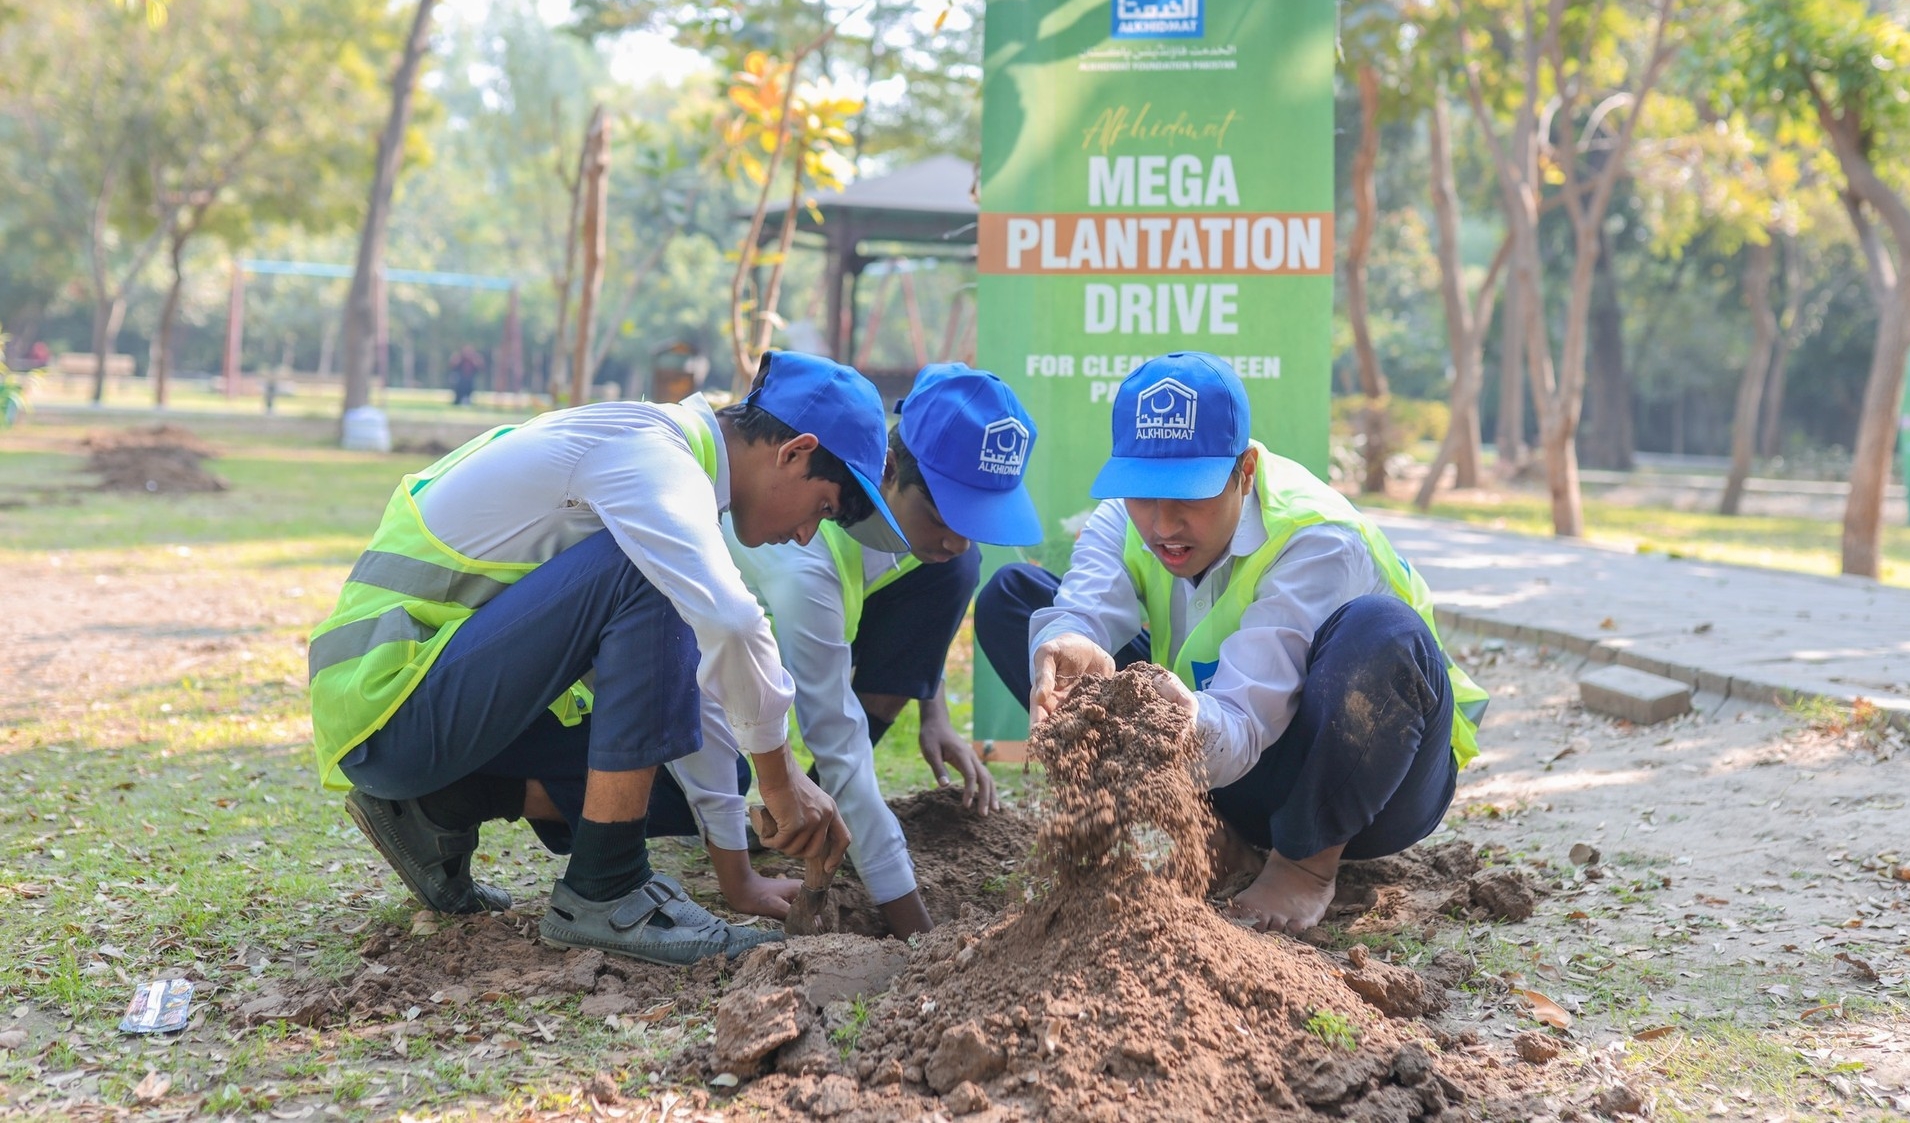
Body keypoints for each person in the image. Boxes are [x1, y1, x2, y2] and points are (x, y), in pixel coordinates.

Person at [309, 349, 909, 965]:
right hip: (390, 707)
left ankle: (437, 806)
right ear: (795, 452)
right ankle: (608, 887)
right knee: (645, 574)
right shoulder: (652, 457)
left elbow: (697, 696)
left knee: (709, 770)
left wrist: (740, 879)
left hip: (429, 705)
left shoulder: (667, 465)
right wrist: (782, 781)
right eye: (824, 509)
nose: (808, 535)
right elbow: (730, 622)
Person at [975, 352, 1489, 935]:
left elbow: (1245, 720)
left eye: (1188, 496)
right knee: (1016, 599)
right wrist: (1071, 643)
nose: (1164, 524)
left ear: (1244, 471)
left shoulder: (1316, 536)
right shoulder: (1122, 514)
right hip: (1225, 763)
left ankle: (1305, 864)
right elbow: (1085, 605)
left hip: (1367, 778)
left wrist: (1187, 718)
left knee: (1385, 631)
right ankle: (1207, 833)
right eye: (1144, 494)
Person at [674, 363, 1043, 938]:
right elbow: (836, 737)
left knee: (954, 567)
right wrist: (916, 930)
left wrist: (933, 707)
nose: (958, 536)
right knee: (675, 804)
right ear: (888, 469)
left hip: (801, 629)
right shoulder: (805, 552)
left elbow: (931, 581)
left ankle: (827, 808)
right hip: (696, 646)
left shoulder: (930, 543)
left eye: (976, 519)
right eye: (945, 513)